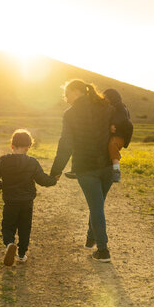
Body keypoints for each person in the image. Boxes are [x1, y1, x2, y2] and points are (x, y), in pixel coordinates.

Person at [50, 79, 115, 262]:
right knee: (98, 205)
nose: (66, 98)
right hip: (108, 165)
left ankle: (103, 251)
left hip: (86, 167)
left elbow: (66, 144)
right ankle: (91, 238)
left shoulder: (70, 114)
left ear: (76, 91)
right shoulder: (106, 107)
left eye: (67, 94)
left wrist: (56, 170)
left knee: (96, 207)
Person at [0, 129, 57, 266]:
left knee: (8, 225)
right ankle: (21, 254)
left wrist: (1, 185)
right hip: (27, 202)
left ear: (12, 146)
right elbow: (42, 180)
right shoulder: (32, 162)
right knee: (25, 227)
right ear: (28, 147)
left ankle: (9, 244)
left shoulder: (4, 160)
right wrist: (53, 180)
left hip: (10, 201)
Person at [103, 89, 134, 183]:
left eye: (106, 98)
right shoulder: (109, 107)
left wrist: (113, 123)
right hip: (113, 135)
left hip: (120, 135)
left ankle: (116, 171)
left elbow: (122, 117)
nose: (105, 100)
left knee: (113, 145)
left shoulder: (120, 106)